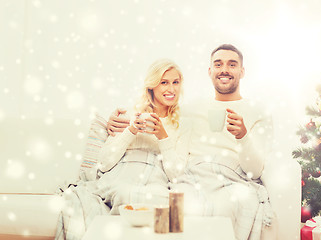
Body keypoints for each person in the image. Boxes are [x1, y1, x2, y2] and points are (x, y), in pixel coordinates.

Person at [107, 44, 277, 240]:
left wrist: (242, 136)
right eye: (218, 64)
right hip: (192, 176)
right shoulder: (190, 109)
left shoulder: (258, 112)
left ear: (242, 71)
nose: (224, 69)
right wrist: (117, 120)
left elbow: (254, 171)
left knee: (238, 202)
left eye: (232, 64)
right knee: (175, 207)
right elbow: (158, 108)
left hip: (233, 177)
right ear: (210, 71)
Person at [55, 59, 191, 240]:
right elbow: (104, 163)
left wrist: (162, 136)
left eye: (176, 82)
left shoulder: (183, 124)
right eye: (164, 82)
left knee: (166, 202)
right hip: (124, 174)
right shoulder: (128, 115)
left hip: (155, 179)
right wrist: (131, 130)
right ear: (152, 86)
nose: (171, 89)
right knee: (125, 192)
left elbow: (176, 174)